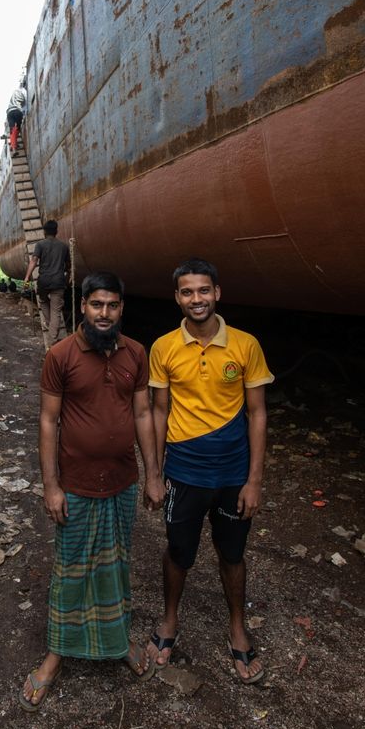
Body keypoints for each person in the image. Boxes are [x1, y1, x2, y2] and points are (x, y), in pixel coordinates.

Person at [19, 272, 166, 712]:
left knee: (117, 565)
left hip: (122, 483)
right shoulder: (60, 355)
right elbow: (49, 421)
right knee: (71, 569)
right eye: (97, 304)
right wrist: (51, 486)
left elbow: (143, 414)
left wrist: (153, 474)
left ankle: (118, 643)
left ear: (122, 309)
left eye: (113, 305)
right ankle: (55, 654)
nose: (105, 313)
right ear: (82, 306)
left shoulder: (135, 353)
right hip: (76, 486)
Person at [147, 258, 273, 684]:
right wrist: (154, 473)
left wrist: (254, 481)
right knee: (179, 552)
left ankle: (237, 627)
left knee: (232, 554)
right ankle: (169, 621)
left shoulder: (245, 345)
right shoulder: (163, 347)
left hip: (233, 474)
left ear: (217, 292)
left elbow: (257, 414)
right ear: (177, 297)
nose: (196, 299)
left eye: (203, 291)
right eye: (187, 292)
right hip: (183, 472)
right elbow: (160, 411)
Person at [24, 220, 70, 349]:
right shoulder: (64, 246)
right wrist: (67, 278)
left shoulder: (40, 244)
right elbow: (68, 266)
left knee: (43, 301)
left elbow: (33, 261)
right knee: (56, 311)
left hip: (43, 281)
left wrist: (27, 277)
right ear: (56, 231)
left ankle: (51, 340)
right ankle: (52, 338)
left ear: (44, 232)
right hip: (58, 282)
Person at [6, 78, 27, 152]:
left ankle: (13, 145)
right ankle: (14, 146)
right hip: (17, 111)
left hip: (9, 112)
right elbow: (25, 103)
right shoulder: (24, 91)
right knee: (17, 128)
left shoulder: (15, 91)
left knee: (12, 129)